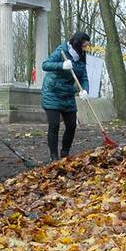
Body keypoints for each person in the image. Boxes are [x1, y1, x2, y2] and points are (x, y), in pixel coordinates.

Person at [42, 32, 90, 160]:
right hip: (52, 92)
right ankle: (54, 156)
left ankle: (65, 153)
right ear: (77, 44)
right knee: (54, 125)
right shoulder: (61, 50)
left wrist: (85, 90)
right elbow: (45, 65)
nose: (86, 49)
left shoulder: (81, 56)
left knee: (71, 125)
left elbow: (84, 77)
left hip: (68, 93)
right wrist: (61, 65)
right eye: (84, 46)